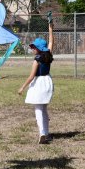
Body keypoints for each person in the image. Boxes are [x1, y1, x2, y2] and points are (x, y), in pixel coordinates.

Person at [17, 12, 54, 144]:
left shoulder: (37, 59)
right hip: (48, 82)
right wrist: (50, 25)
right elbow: (50, 40)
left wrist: (22, 87)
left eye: (33, 47)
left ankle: (42, 134)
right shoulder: (48, 54)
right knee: (44, 109)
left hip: (38, 84)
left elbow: (32, 76)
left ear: (38, 48)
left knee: (38, 109)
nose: (32, 49)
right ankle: (46, 133)